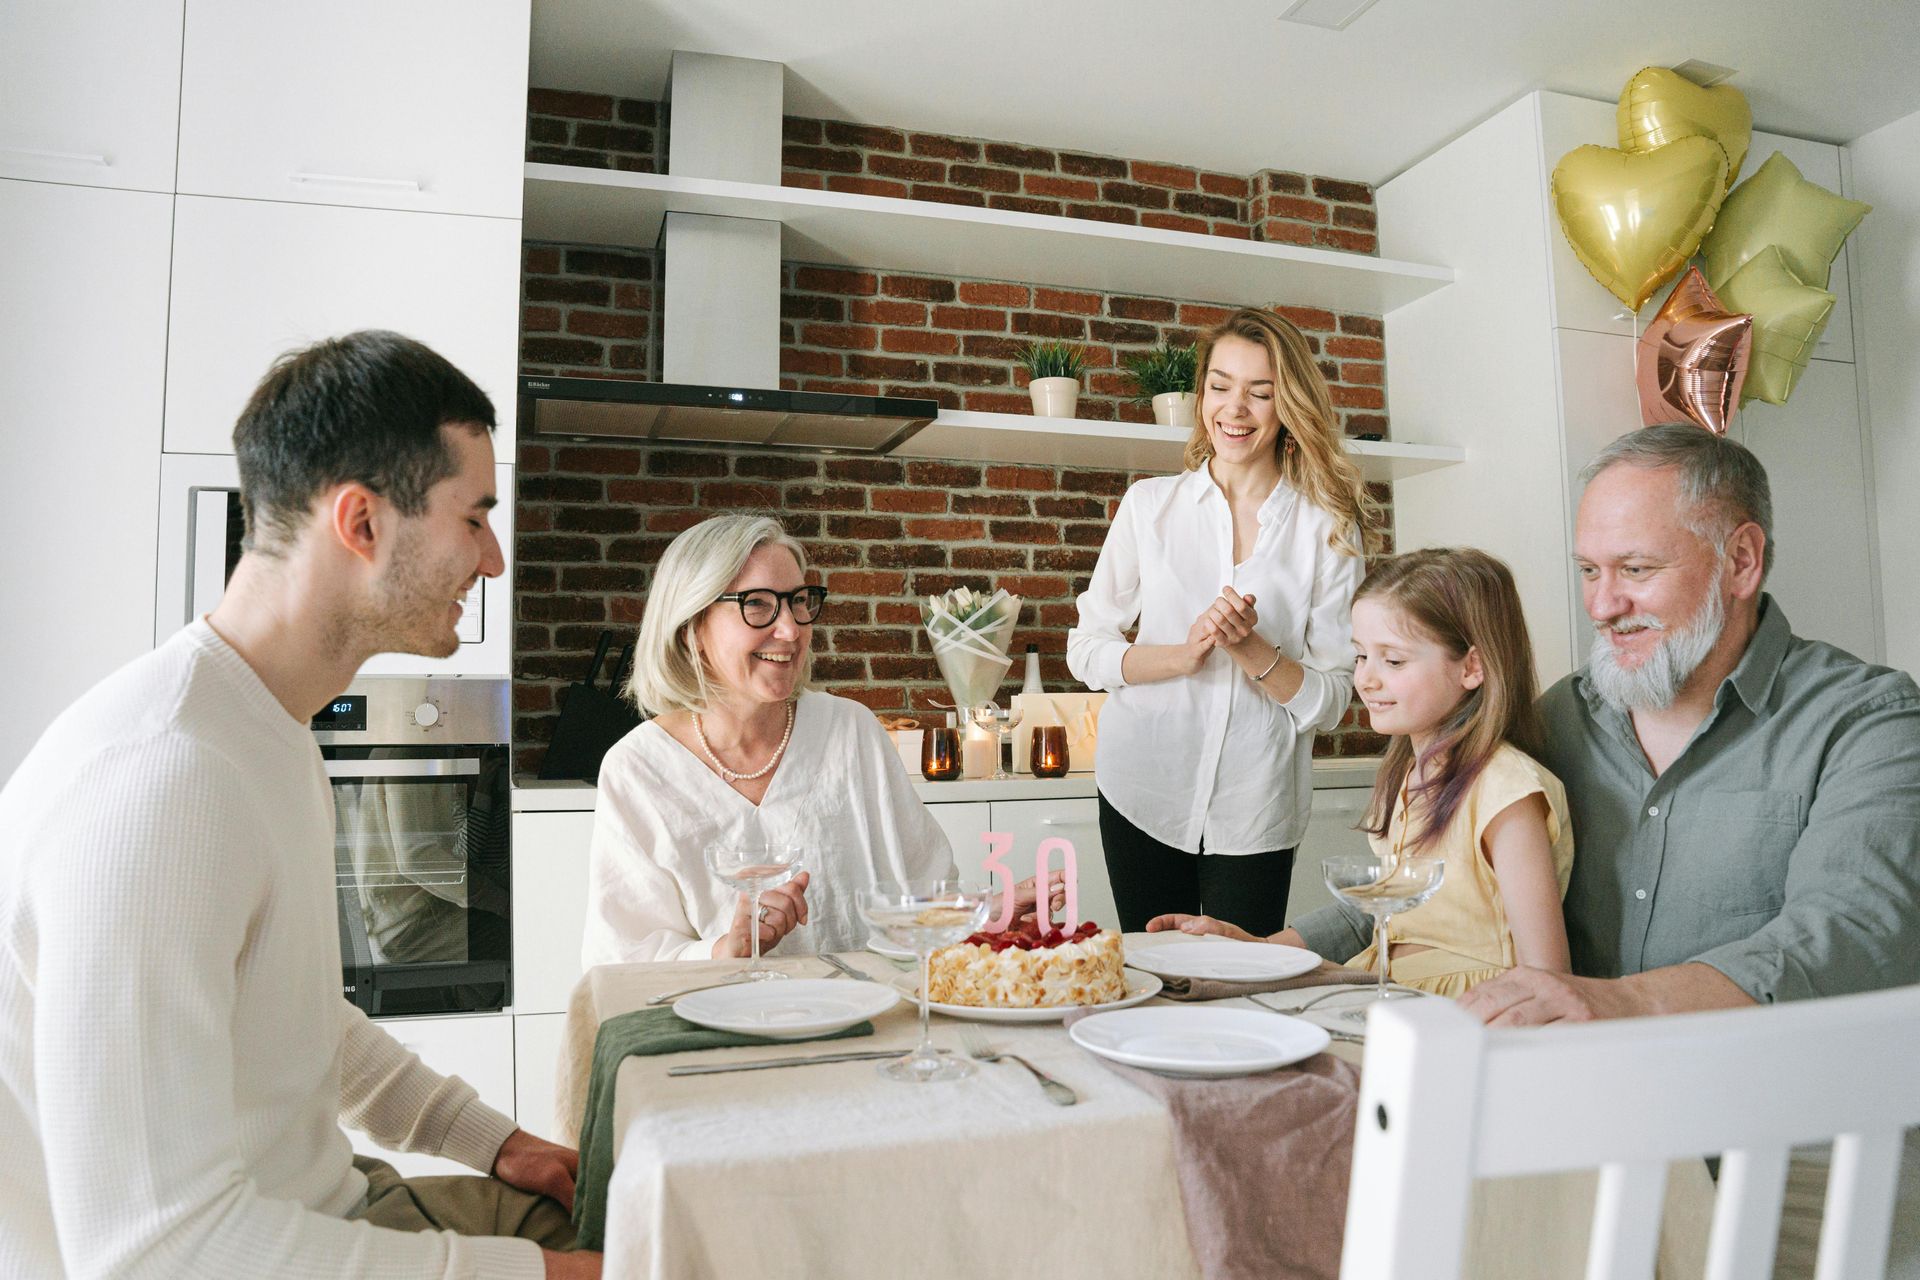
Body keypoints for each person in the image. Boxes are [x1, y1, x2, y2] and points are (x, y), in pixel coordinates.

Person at [0, 331, 597, 1277]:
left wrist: (488, 1138)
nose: (492, 560)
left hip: (327, 1201)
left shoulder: (264, 726)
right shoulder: (164, 781)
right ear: (362, 523)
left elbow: (293, 1017)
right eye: (474, 517)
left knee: (650, 1210)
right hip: (238, 1251)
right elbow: (159, 1253)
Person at [1365, 425, 1918, 1276]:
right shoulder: (1561, 719)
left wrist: (1619, 1003)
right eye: (1589, 572)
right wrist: (1277, 948)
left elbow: (1848, 934)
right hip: (1584, 1124)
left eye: (1636, 570)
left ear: (1741, 561)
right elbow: (1433, 865)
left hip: (1793, 1149)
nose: (1600, 604)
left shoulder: (1870, 720)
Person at [582, 514, 1061, 966]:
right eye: (757, 605)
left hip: (869, 1028)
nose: (790, 629)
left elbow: (922, 891)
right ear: (692, 628)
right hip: (722, 1037)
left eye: (797, 601)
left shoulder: (852, 731)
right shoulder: (638, 769)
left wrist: (990, 914)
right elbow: (621, 958)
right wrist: (724, 950)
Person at [1067, 307, 1373, 935]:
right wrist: (1179, 657)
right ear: (1202, 392)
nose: (1235, 409)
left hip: (1255, 805)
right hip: (1141, 791)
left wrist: (1255, 652)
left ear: (1287, 404)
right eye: (1220, 386)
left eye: (1260, 393)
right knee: (1154, 981)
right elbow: (1087, 649)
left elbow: (1334, 700)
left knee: (1243, 990)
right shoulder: (1149, 506)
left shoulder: (1329, 528)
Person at [1145, 548, 1574, 995]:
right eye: (1361, 657)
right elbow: (1375, 912)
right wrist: (1259, 949)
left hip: (1460, 1014)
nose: (1366, 680)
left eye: (1393, 661)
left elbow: (1547, 978)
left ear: (1471, 667)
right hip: (1386, 987)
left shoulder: (1506, 792)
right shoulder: (1412, 774)